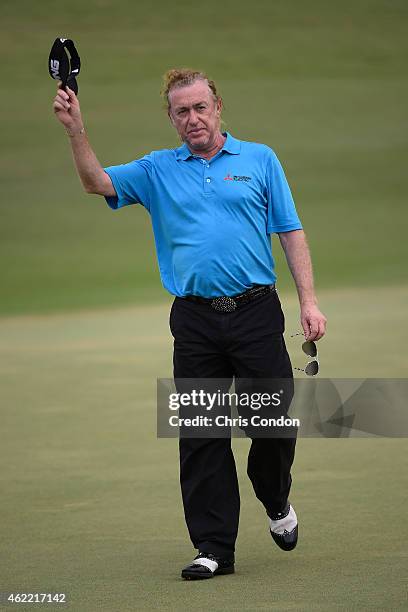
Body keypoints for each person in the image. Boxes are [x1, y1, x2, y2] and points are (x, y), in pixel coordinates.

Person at [53, 68, 327, 580]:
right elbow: (97, 182)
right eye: (182, 111)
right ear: (172, 118)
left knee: (271, 423)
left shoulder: (259, 159)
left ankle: (275, 498)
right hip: (195, 319)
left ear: (218, 106)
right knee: (202, 433)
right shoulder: (157, 169)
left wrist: (309, 301)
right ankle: (214, 548)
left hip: (256, 311)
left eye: (201, 107)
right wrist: (75, 128)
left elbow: (290, 231)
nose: (193, 118)